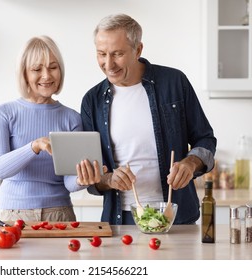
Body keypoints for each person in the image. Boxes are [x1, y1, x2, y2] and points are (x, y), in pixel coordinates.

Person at [81, 14, 217, 225]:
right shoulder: (92, 101)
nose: (108, 64)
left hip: (176, 216)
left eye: (117, 54)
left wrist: (190, 164)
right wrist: (108, 180)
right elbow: (93, 178)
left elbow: (206, 140)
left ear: (138, 50)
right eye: (101, 54)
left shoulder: (174, 82)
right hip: (120, 220)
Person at [0, 35, 100, 222]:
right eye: (36, 69)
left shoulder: (71, 118)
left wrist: (83, 179)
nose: (47, 76)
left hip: (59, 213)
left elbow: (68, 183)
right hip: (11, 214)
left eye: (53, 67)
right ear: (24, 73)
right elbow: (0, 169)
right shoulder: (4, 113)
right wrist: (34, 146)